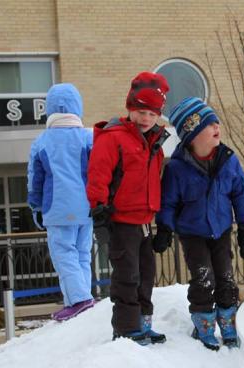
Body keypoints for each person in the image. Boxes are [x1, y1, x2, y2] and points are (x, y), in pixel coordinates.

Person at [154, 97, 244, 351]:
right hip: (193, 234)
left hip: (221, 230)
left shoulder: (228, 160)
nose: (216, 127)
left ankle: (228, 323)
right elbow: (168, 202)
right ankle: (204, 325)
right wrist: (164, 228)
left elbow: (241, 194)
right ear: (192, 135)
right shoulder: (177, 168)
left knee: (226, 277)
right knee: (203, 278)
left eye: (216, 122)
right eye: (209, 125)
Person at [87, 71, 171, 345]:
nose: (146, 118)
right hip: (121, 221)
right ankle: (125, 328)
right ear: (130, 108)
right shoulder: (113, 138)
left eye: (152, 114)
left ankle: (143, 323)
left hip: (146, 221)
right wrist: (98, 206)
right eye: (141, 111)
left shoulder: (155, 144)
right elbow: (98, 173)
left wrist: (161, 221)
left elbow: (155, 183)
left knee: (146, 275)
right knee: (127, 276)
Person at [28, 83, 95, 322]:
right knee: (82, 254)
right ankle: (79, 300)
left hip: (56, 207)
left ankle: (80, 300)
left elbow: (35, 179)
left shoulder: (42, 142)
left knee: (63, 254)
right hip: (87, 207)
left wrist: (35, 206)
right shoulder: (89, 138)